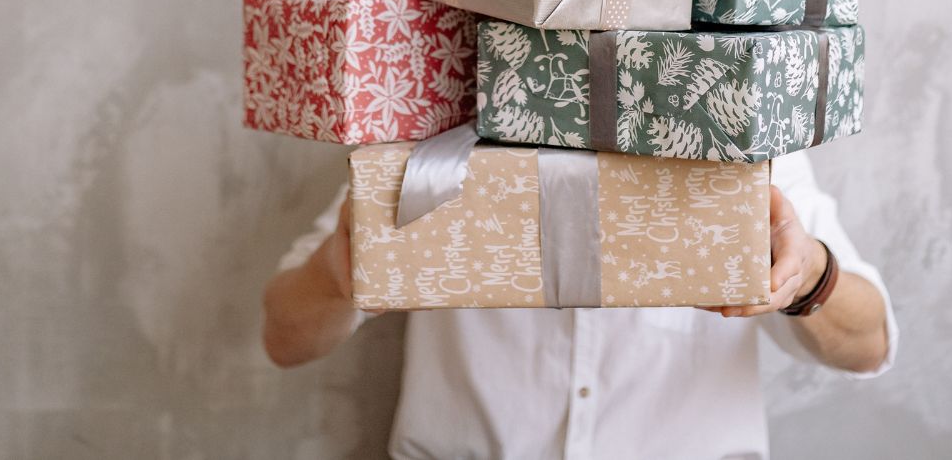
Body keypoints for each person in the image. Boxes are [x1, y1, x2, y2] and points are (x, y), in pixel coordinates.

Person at [263, 151, 897, 459]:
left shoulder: (741, 130)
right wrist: (345, 267)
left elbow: (870, 345)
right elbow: (284, 336)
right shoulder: (437, 133)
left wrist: (808, 272)